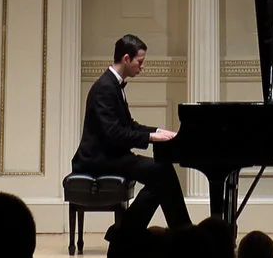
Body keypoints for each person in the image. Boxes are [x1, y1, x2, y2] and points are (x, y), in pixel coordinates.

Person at [73, 33, 191, 234]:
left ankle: (127, 231)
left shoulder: (112, 85)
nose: (142, 66)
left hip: (111, 156)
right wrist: (151, 138)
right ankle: (182, 233)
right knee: (162, 172)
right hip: (99, 159)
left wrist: (157, 131)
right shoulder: (104, 88)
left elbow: (128, 125)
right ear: (126, 59)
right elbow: (113, 134)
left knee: (161, 176)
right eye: (140, 61)